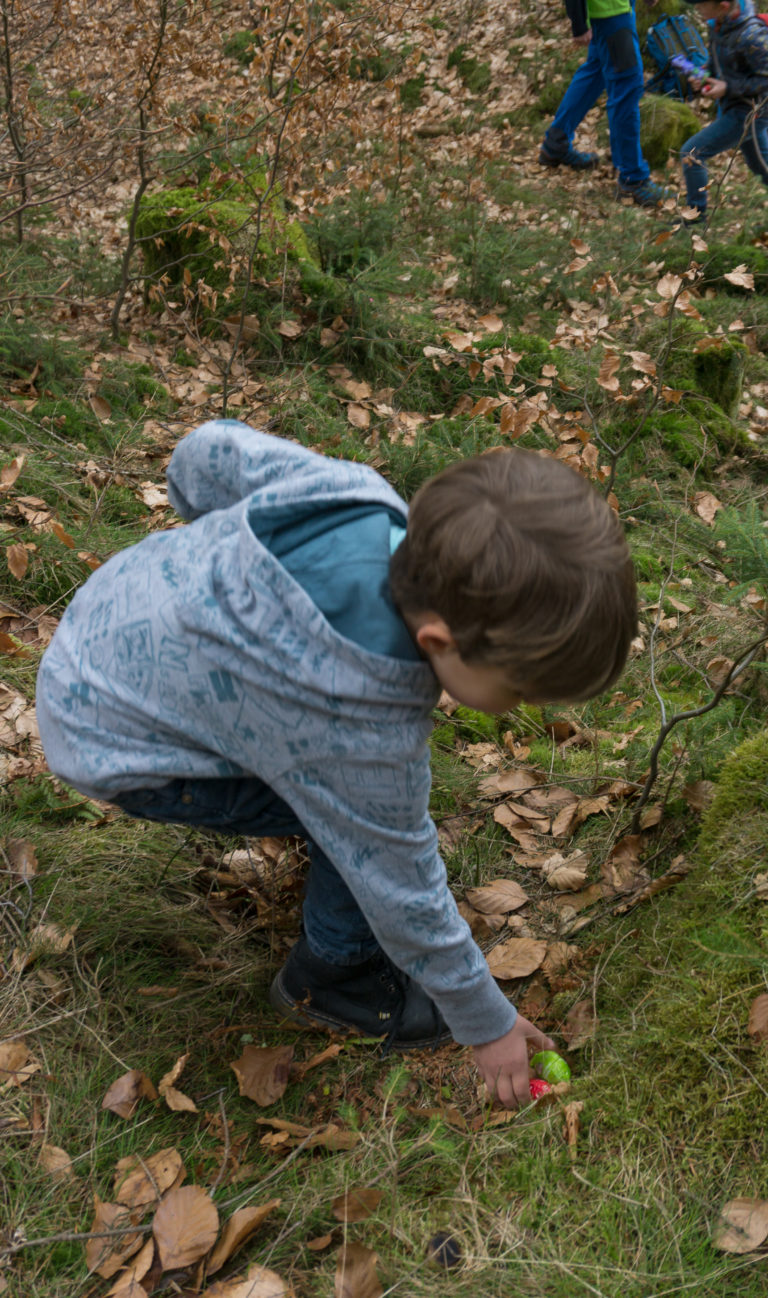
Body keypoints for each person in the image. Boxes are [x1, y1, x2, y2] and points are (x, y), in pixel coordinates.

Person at [35, 420, 637, 1110]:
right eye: (519, 690)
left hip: (103, 621)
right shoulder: (359, 715)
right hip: (116, 741)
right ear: (441, 640)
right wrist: (485, 1022)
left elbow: (205, 454)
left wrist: (215, 574)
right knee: (364, 828)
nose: (517, 708)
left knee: (363, 803)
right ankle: (336, 977)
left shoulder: (356, 497)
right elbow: (401, 885)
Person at [539, 0, 671, 207]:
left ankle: (556, 141)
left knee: (596, 71)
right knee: (627, 88)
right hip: (609, 14)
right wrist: (578, 22)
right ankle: (633, 178)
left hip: (615, 10)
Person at [679, 0, 768, 224]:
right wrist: (704, 74)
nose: (696, 9)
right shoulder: (718, 25)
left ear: (723, 5)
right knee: (760, 164)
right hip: (735, 106)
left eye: (700, 5)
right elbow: (718, 62)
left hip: (751, 112)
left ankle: (695, 219)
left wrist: (727, 87)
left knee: (692, 153)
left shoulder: (752, 35)